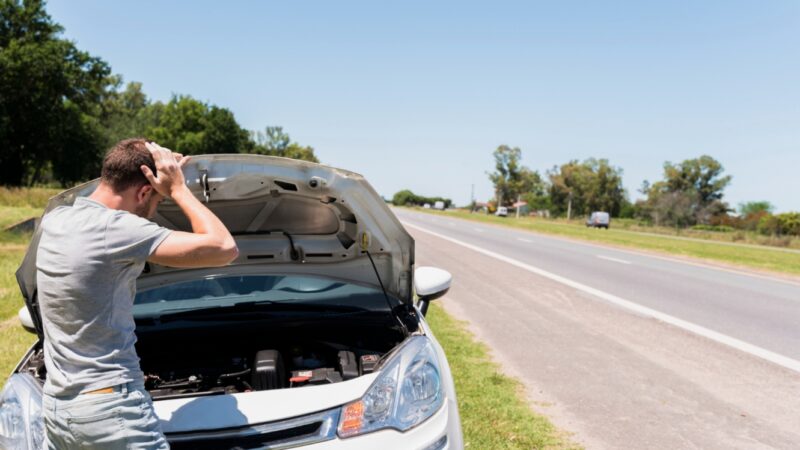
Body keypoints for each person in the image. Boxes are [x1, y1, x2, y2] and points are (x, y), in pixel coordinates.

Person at [37, 139, 238, 449]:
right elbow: (225, 248)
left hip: (57, 410)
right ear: (144, 191)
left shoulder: (55, 221)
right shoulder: (118, 228)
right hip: (110, 410)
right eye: (157, 203)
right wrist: (179, 189)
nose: (153, 211)